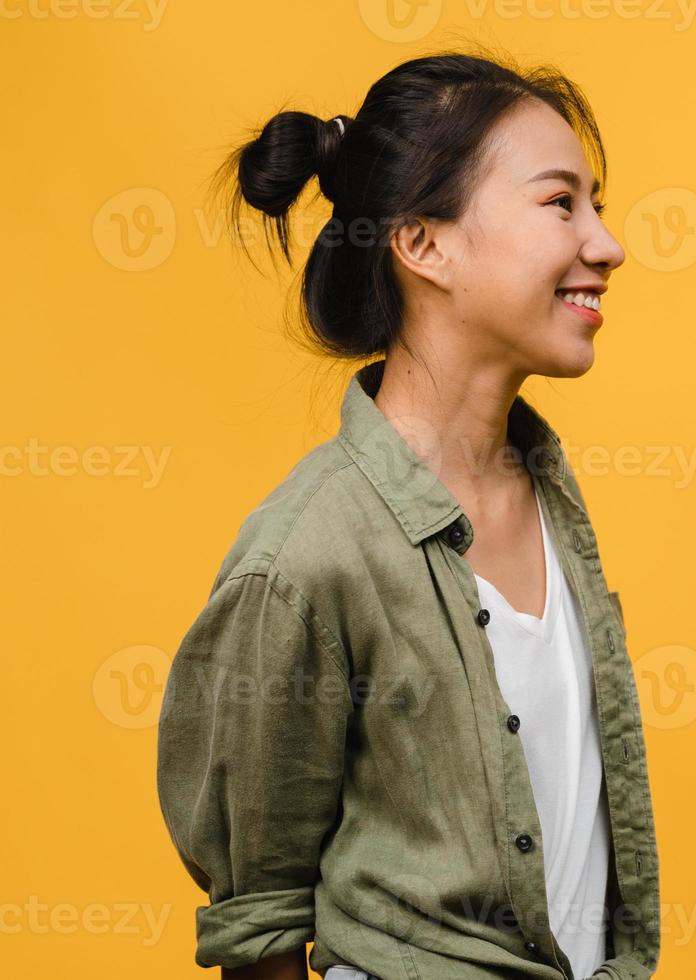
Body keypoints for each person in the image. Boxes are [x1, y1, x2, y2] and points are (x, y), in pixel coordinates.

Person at [155, 48, 660, 980]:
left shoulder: (549, 494)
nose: (607, 243)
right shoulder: (305, 555)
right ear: (423, 242)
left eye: (598, 204)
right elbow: (257, 926)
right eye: (561, 203)